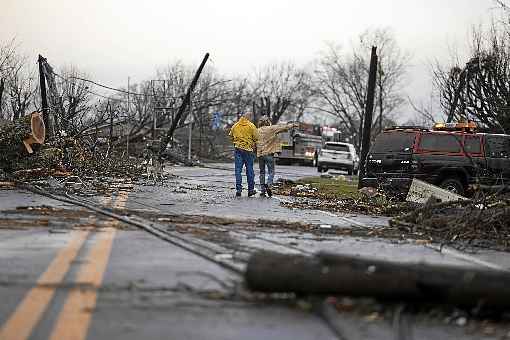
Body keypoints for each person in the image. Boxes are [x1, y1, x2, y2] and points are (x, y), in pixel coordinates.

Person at [256, 116, 298, 197]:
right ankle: (269, 184)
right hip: (269, 154)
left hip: (260, 154)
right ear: (267, 122)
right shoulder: (271, 129)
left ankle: (262, 190)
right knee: (271, 172)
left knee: (262, 172)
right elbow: (283, 127)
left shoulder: (257, 131)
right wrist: (292, 125)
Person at [229, 112, 259, 197]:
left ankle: (238, 189)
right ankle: (250, 190)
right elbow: (256, 137)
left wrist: (236, 142)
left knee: (238, 170)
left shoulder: (235, 126)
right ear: (249, 117)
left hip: (238, 149)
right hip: (248, 150)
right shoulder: (251, 126)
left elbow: (231, 136)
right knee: (249, 170)